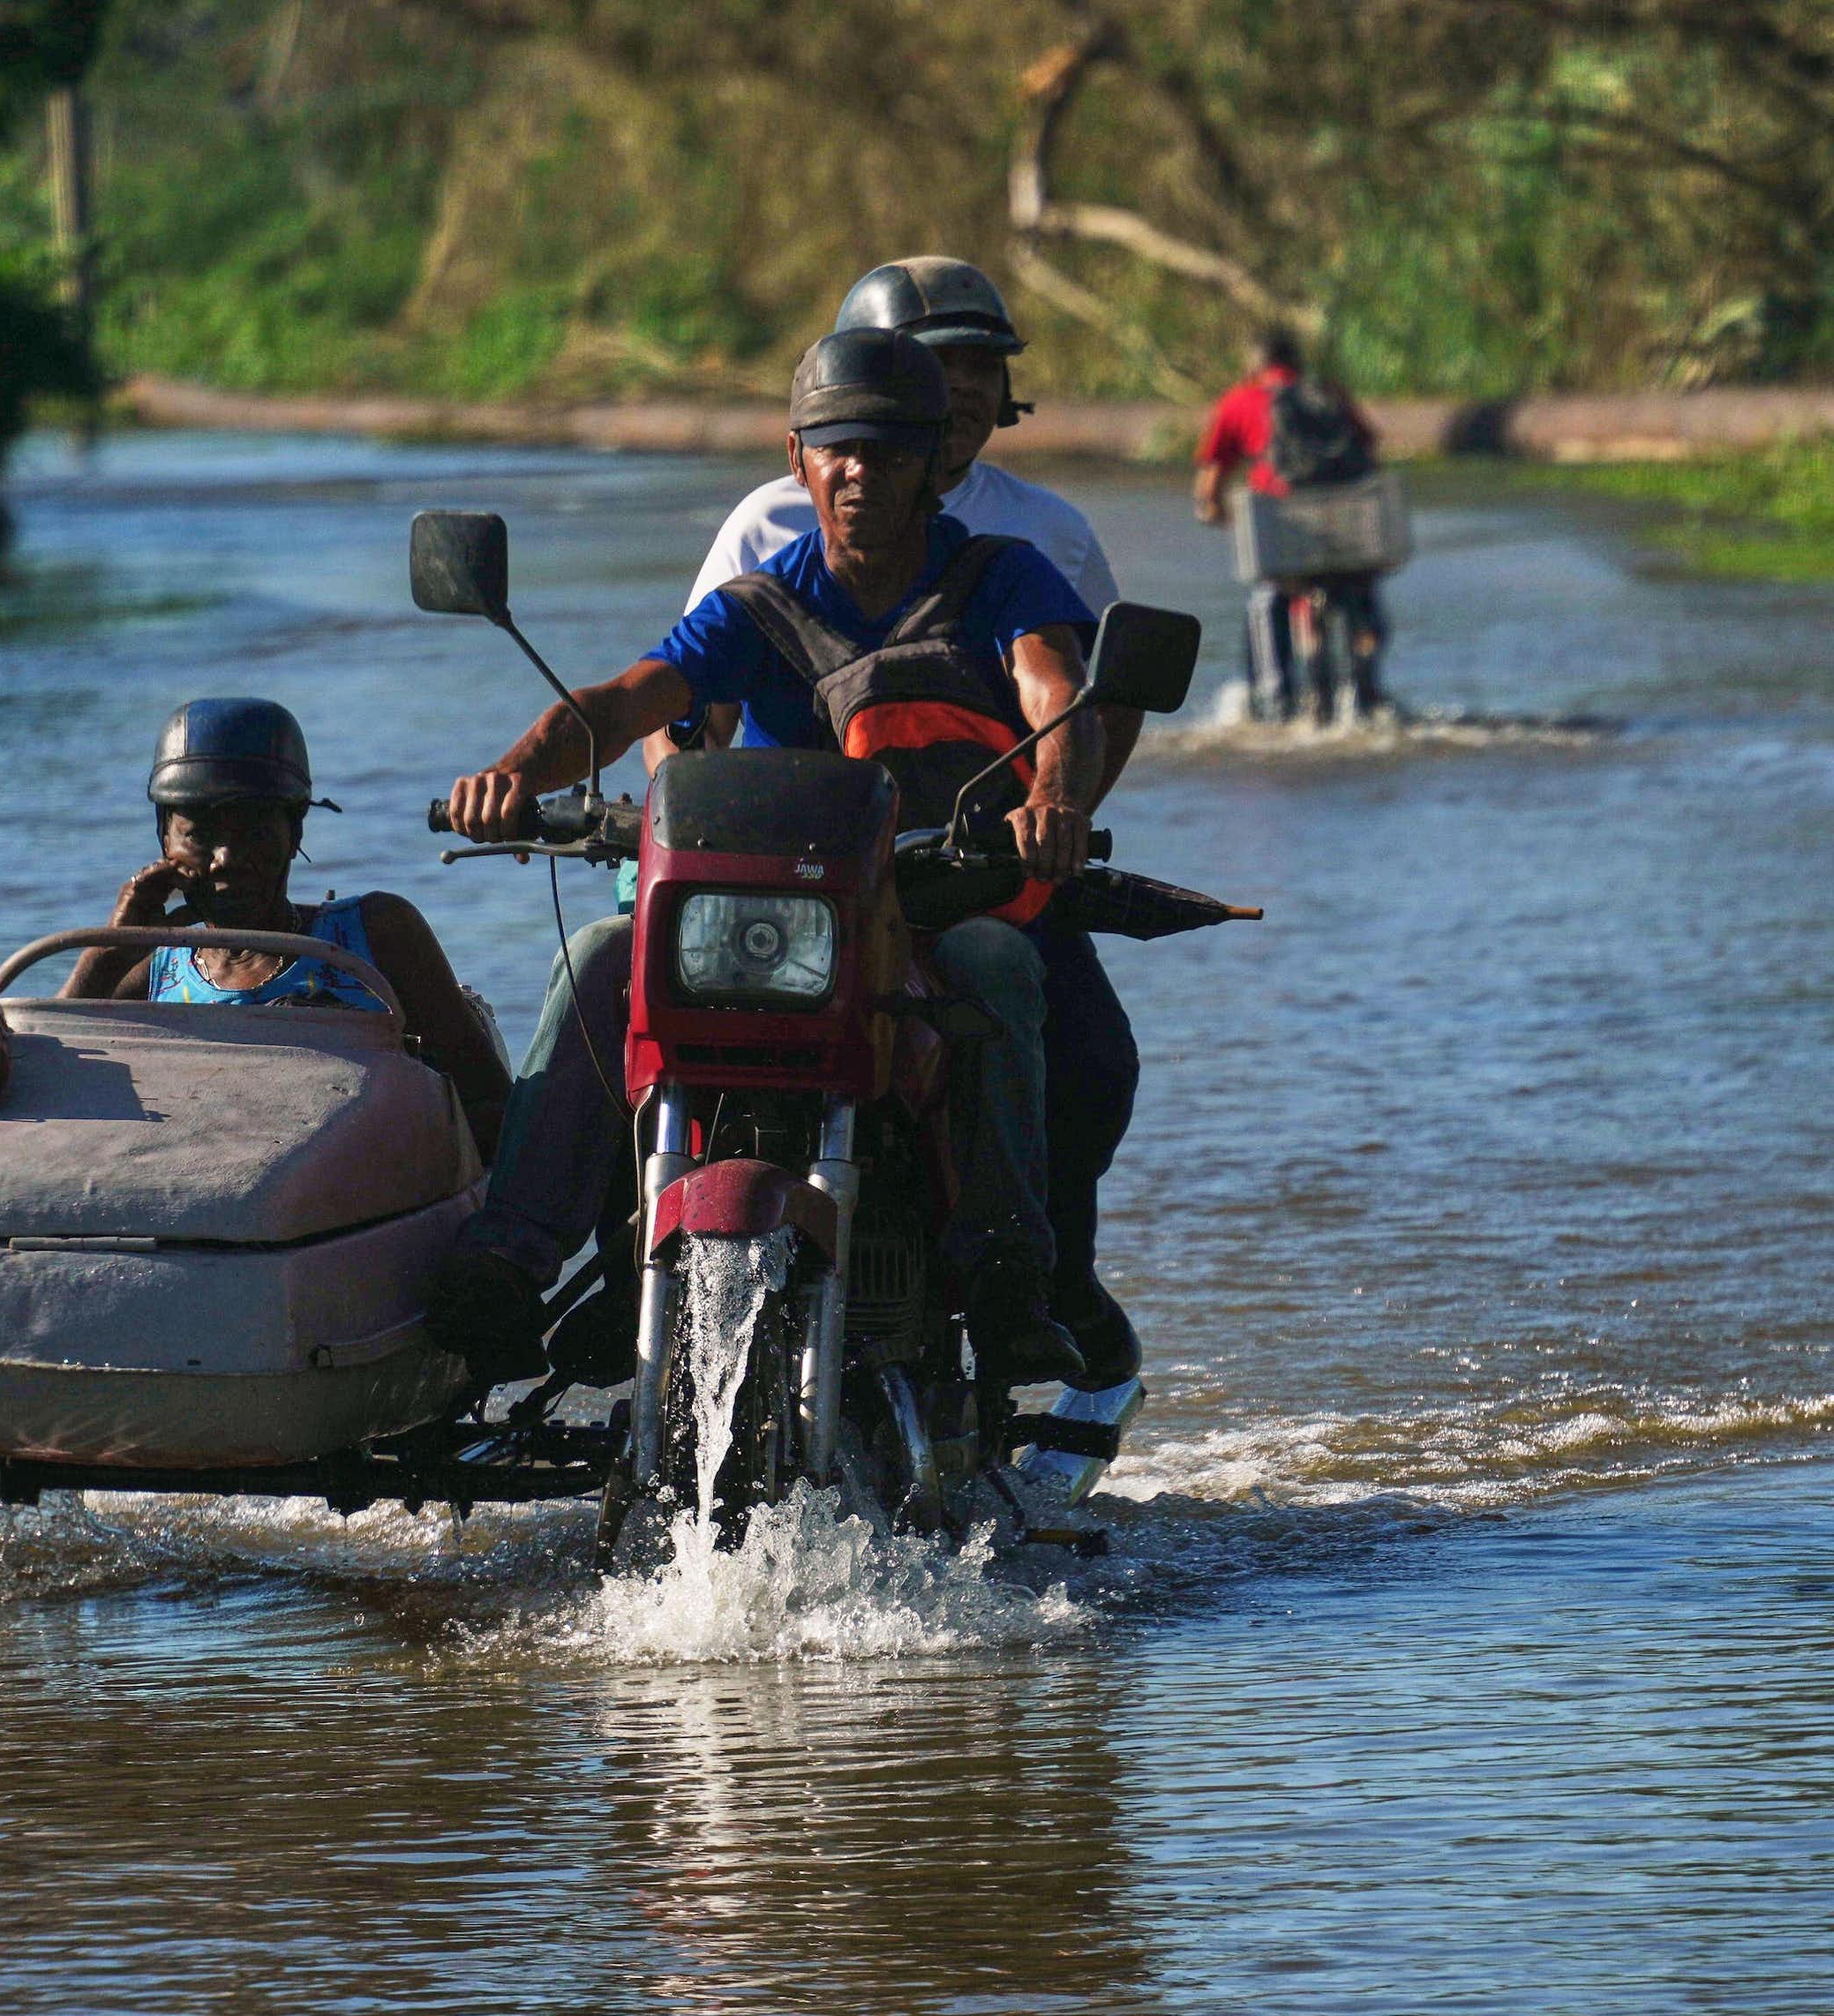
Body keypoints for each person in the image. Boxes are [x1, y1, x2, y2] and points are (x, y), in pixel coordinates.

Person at [428, 328, 1117, 1391]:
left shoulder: (998, 576)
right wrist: (512, 774)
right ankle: (513, 1261)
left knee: (1000, 968)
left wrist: (1055, 796)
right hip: (769, 924)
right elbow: (627, 701)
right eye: (836, 449)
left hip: (928, 906)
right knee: (603, 957)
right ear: (797, 460)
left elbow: (1051, 686)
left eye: (887, 451)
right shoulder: (764, 603)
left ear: (933, 462)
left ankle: (1007, 1276)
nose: (859, 472)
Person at [643, 256, 1141, 1382]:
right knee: (618, 1000)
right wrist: (663, 813)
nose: (958, 390)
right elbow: (682, 700)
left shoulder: (1035, 537)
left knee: (1087, 1057)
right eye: (931, 368)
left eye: (976, 369)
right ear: (817, 433)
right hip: (776, 889)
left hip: (969, 871)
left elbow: (1088, 701)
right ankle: (607, 1257)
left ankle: (1035, 1273)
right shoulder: (767, 526)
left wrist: (1046, 827)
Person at [63, 696, 510, 1152]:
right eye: (198, 834)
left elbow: (492, 1109)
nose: (226, 860)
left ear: (295, 830)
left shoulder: (373, 938)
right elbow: (43, 1076)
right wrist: (109, 949)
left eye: (254, 831)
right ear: (164, 835)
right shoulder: (153, 977)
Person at [1193, 326, 1387, 720]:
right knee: (1359, 588)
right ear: (1296, 361)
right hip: (1349, 524)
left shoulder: (1239, 402)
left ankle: (1276, 698)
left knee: (1269, 594)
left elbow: (1210, 490)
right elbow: (1369, 452)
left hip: (1283, 528)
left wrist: (1216, 513)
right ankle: (1367, 688)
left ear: (1253, 364)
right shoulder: (1330, 395)